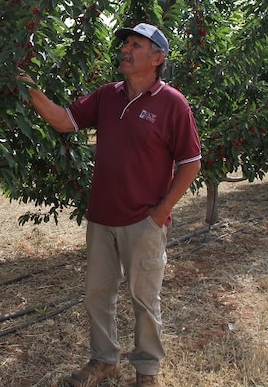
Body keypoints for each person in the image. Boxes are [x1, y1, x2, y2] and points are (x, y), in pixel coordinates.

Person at [20, 23, 201, 387]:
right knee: (97, 295)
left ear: (157, 58)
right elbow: (62, 120)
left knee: (144, 299)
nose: (126, 49)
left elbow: (191, 162)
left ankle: (147, 370)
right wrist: (27, 87)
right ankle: (105, 360)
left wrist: (160, 213)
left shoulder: (172, 103)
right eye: (125, 43)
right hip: (102, 218)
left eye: (136, 45)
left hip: (143, 222)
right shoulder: (107, 96)